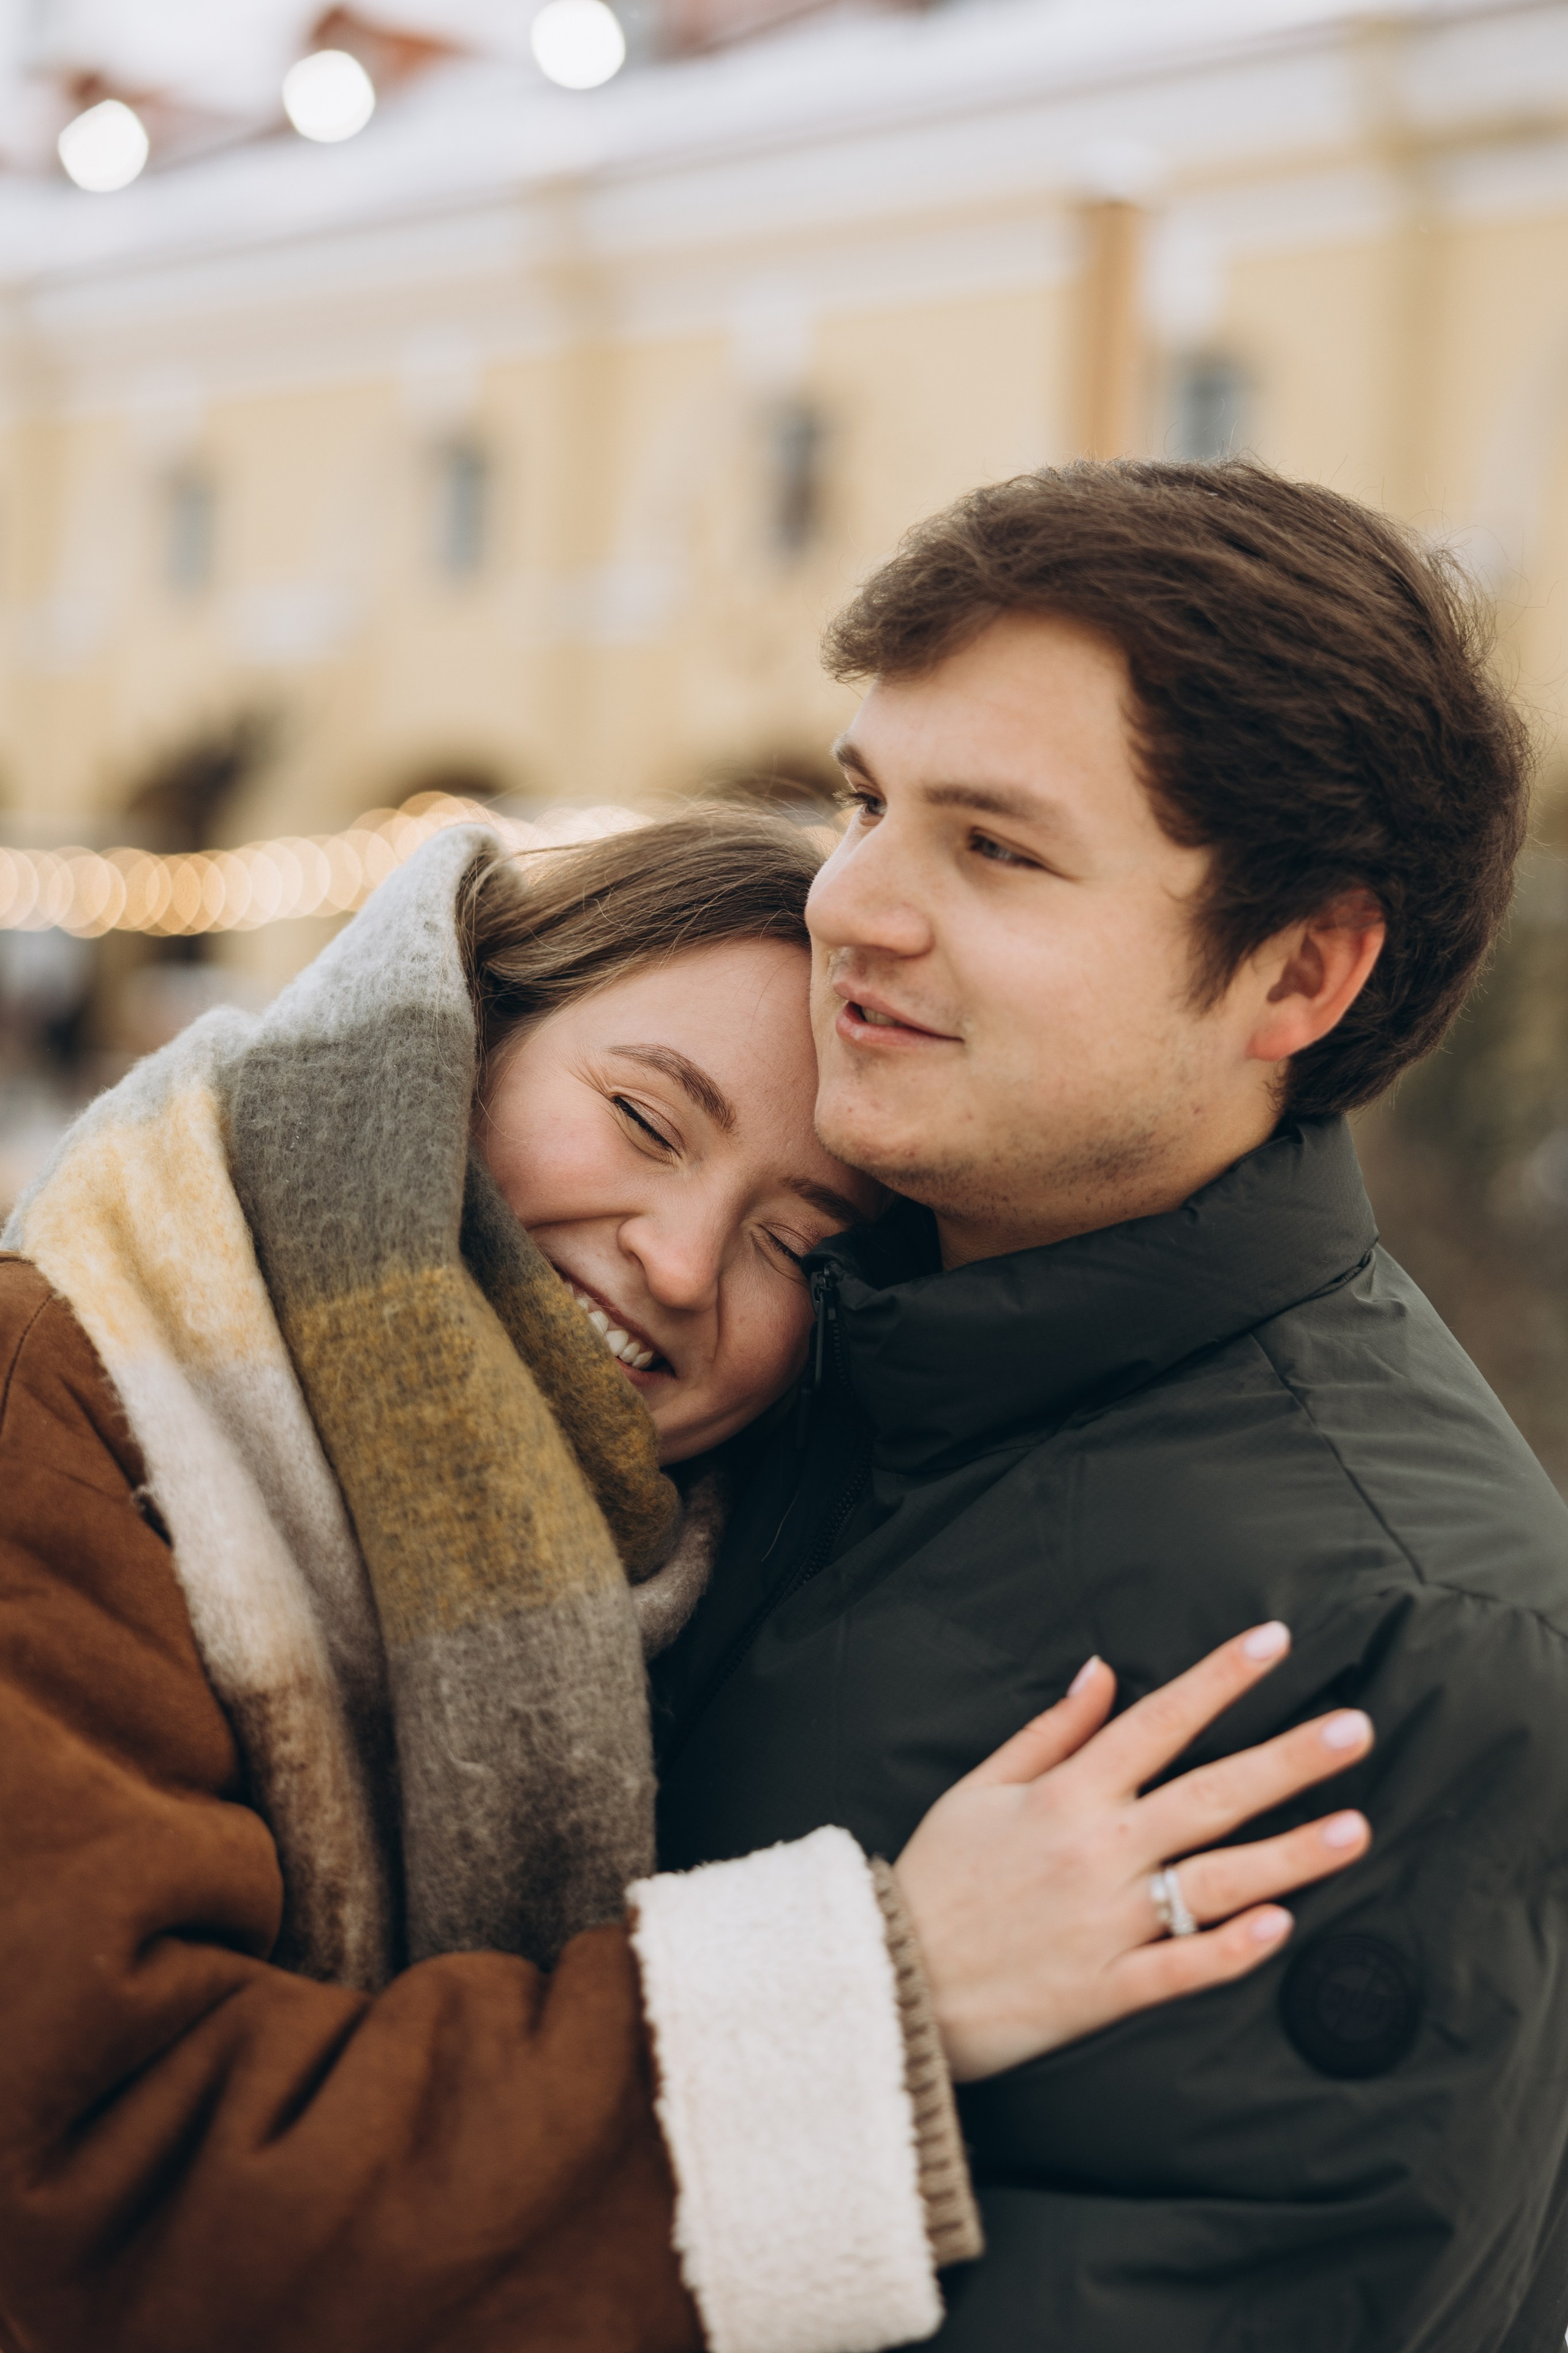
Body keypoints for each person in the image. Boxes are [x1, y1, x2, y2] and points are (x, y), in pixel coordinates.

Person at [0, 806, 1370, 2353]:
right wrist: (875, 1986)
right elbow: (102, 2173)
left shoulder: (726, 1568)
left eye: (797, 1241)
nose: (675, 1258)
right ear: (466, 1031)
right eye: (648, 1121)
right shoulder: (60, 1386)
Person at [653, 461, 1568, 2352]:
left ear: (1300, 969)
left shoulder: (1391, 1630)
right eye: (865, 800)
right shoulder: (790, 1334)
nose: (852, 906)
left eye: (994, 847)